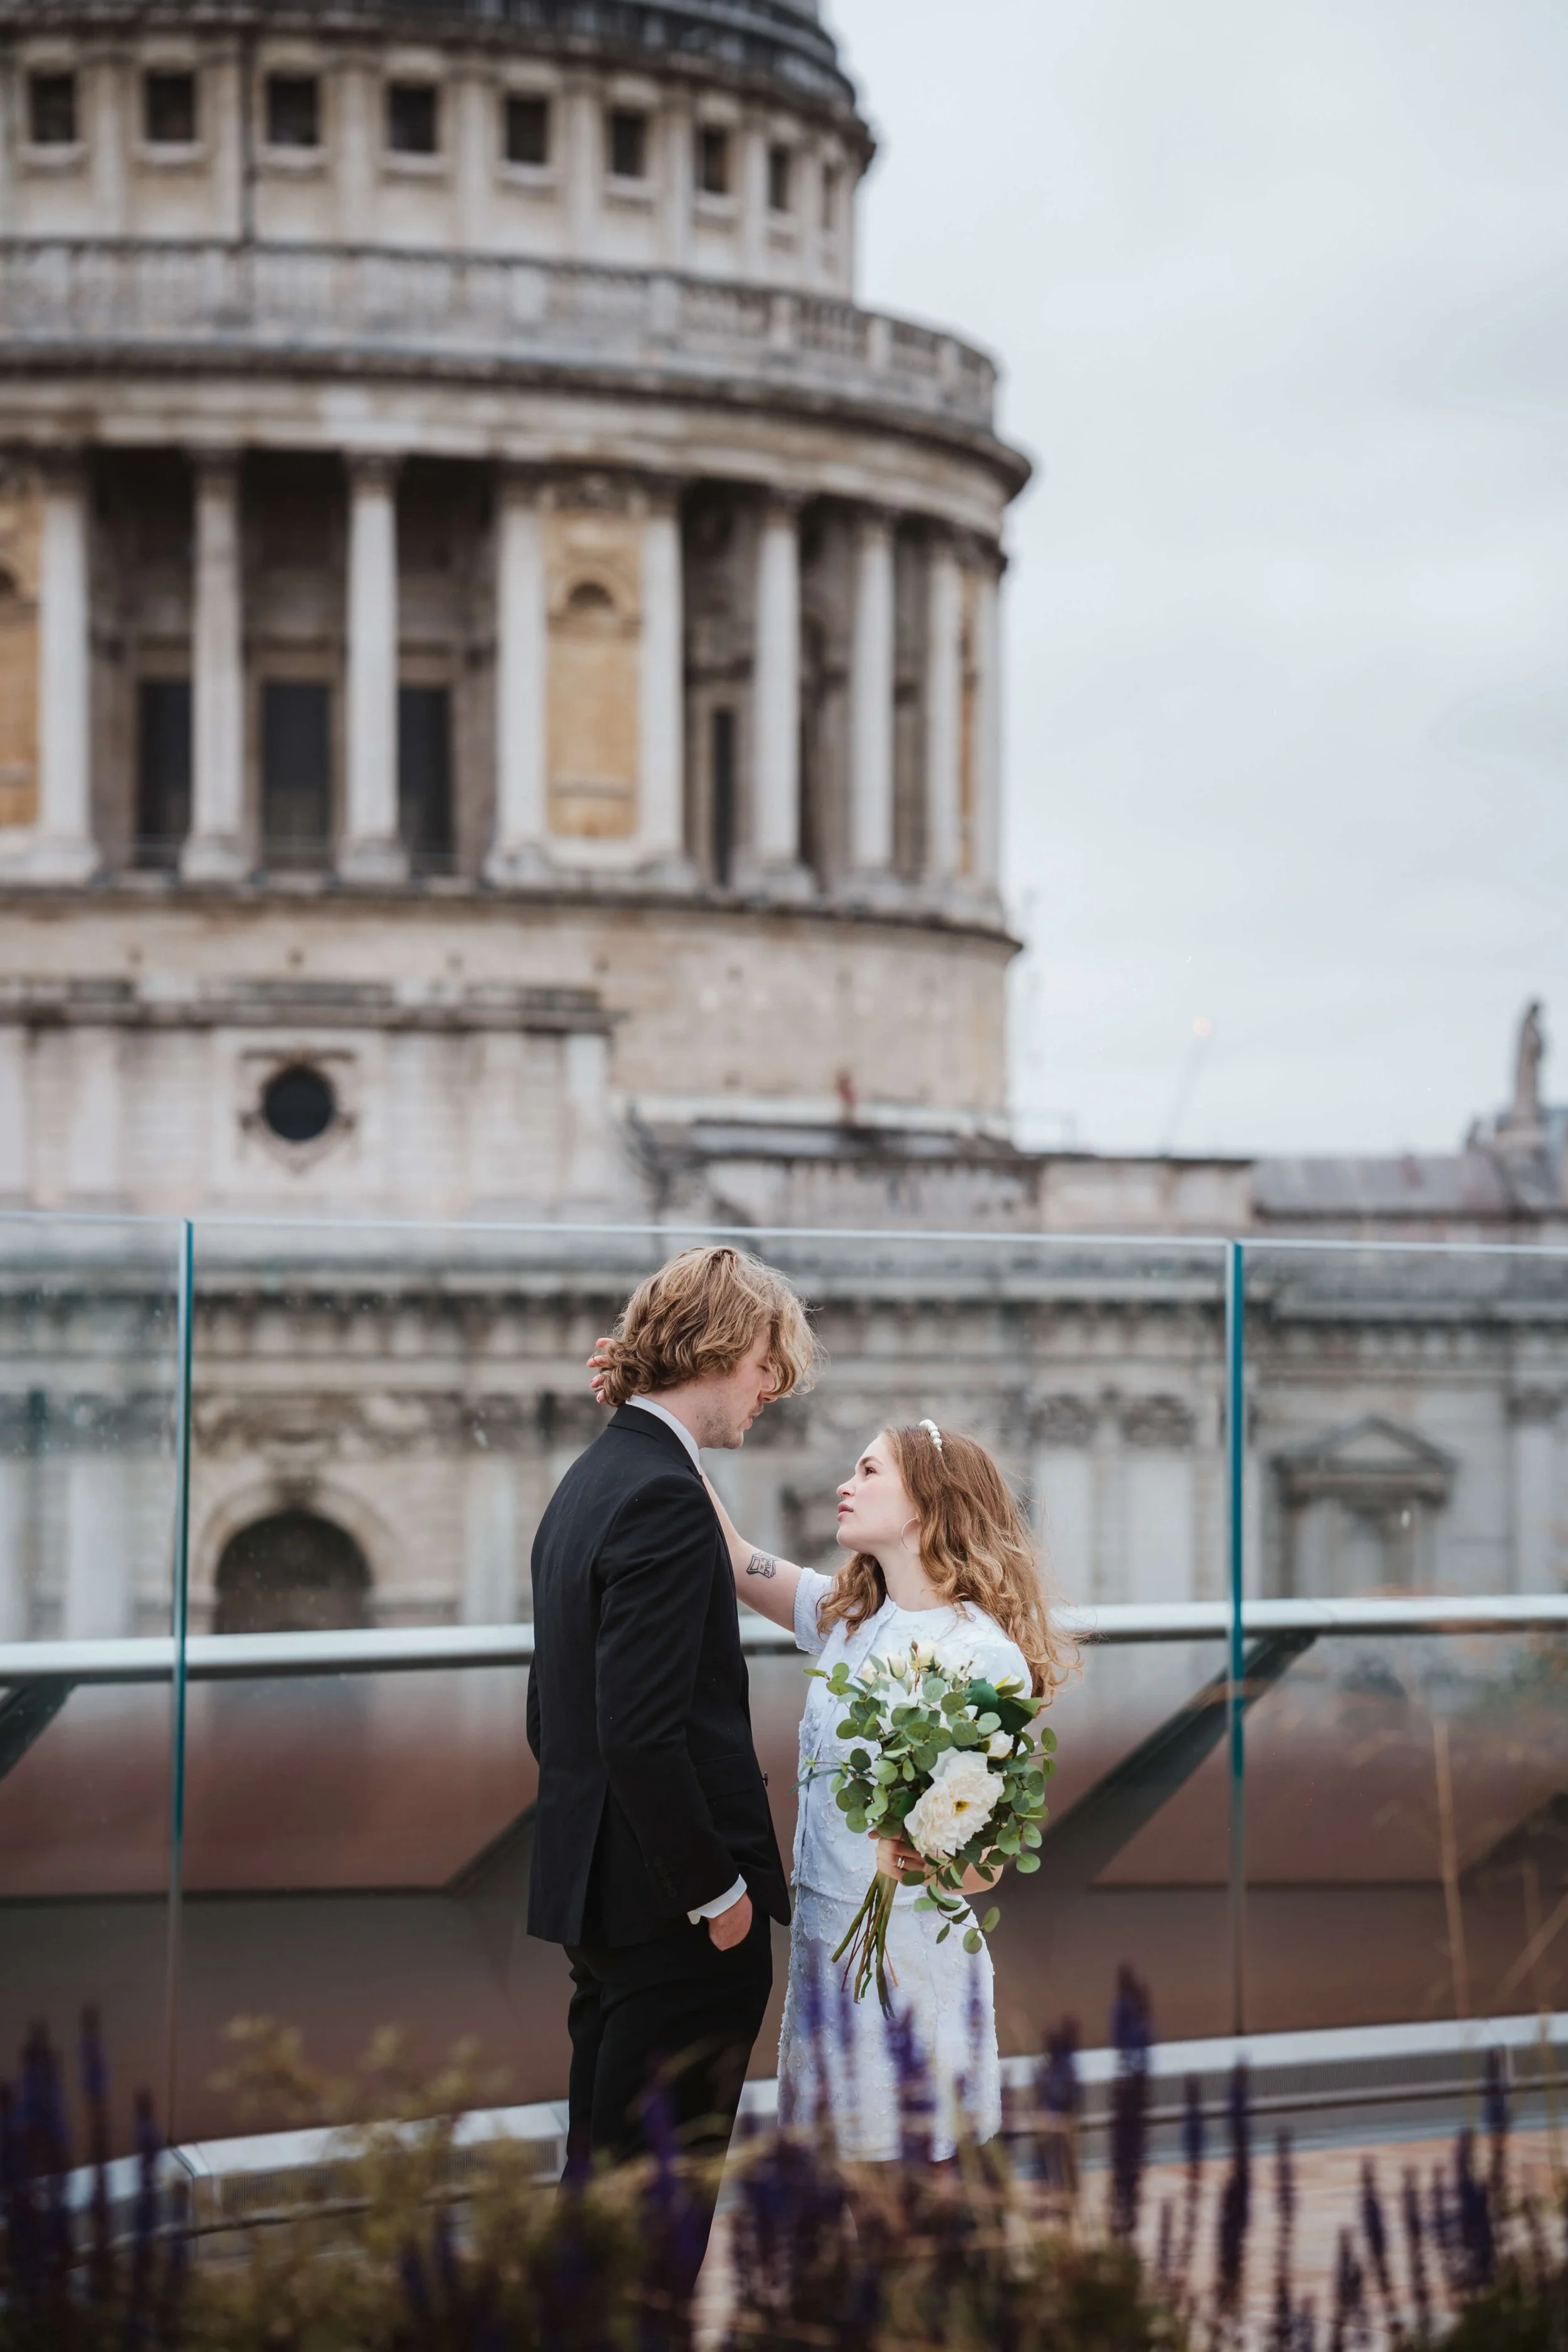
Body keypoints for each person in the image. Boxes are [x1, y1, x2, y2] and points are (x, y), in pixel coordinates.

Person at [526, 1242, 817, 2280]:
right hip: (673, 1912)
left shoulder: (597, 1480)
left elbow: (551, 1709)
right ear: (731, 1345)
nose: (772, 1389)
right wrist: (718, 1895)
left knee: (603, 2182)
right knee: (658, 2211)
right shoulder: (654, 1494)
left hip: (602, 1897)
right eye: (767, 1363)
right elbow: (639, 1730)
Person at [705, 1419, 1073, 2161]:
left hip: (908, 1959)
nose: (845, 1485)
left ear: (924, 1505)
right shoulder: (848, 1616)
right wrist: (660, 1420)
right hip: (823, 1951)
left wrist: (920, 1851)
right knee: (834, 2192)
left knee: (915, 2203)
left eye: (868, 1472)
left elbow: (985, 1867)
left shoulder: (983, 1656)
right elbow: (736, 1556)